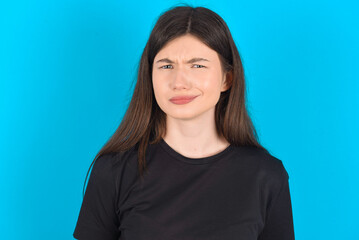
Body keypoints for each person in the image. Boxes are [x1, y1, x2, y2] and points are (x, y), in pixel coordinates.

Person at [73, 4, 295, 240]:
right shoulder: (114, 171)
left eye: (197, 65)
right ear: (150, 76)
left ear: (226, 79)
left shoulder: (266, 175)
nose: (179, 82)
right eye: (166, 66)